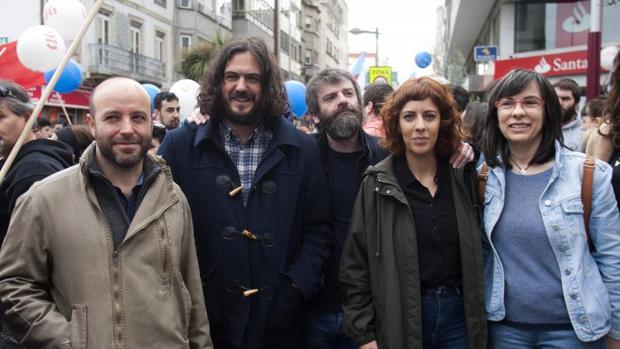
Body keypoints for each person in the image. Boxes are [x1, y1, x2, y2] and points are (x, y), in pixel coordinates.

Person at [0, 77, 212, 348]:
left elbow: (191, 290)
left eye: (137, 118)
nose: (127, 129)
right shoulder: (43, 199)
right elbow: (14, 285)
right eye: (112, 118)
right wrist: (68, 339)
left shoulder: (173, 198)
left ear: (151, 122)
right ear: (91, 123)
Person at [157, 37, 331, 348]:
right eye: (232, 76)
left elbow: (318, 229)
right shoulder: (181, 145)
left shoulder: (301, 148)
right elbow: (161, 230)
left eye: (252, 78)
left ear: (267, 85)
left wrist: (293, 290)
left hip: (282, 323)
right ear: (218, 83)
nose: (241, 86)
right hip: (206, 322)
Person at [340, 77, 487, 349]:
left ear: (442, 123)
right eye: (409, 117)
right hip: (401, 317)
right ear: (396, 124)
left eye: (429, 116)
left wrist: (472, 153)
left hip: (459, 317)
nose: (420, 126)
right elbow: (355, 264)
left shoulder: (462, 176)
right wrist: (365, 334)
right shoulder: (377, 183)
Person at [481, 68, 620, 348]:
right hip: (505, 330)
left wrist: (616, 332)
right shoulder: (483, 177)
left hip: (575, 331)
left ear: (548, 111)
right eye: (507, 103)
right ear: (495, 115)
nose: (518, 112)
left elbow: (612, 258)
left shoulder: (589, 174)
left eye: (530, 103)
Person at [0, 80, 73, 243]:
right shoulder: (14, 163)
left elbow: (33, 246)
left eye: (0, 117)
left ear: (27, 117)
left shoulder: (33, 170)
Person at [553, 78, 582, 151]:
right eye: (554, 98)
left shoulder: (584, 133)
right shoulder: (539, 130)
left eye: (565, 99)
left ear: (576, 104)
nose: (559, 103)